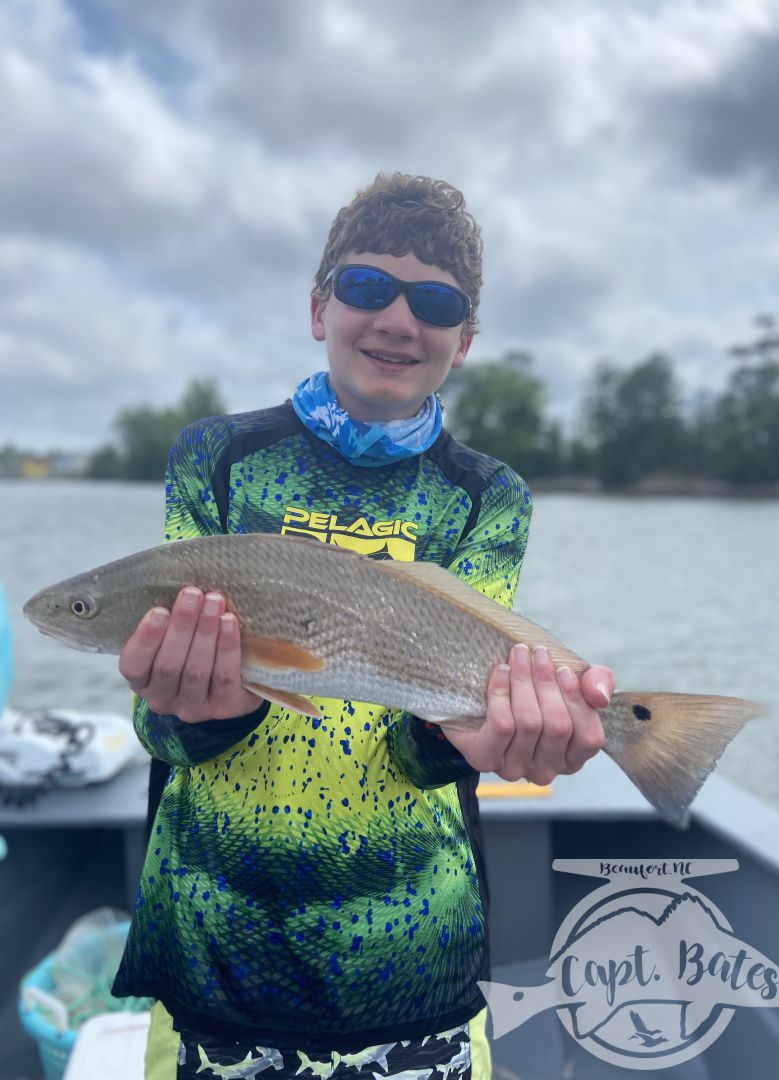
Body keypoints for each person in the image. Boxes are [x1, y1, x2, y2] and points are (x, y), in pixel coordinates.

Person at [112, 173, 615, 1080]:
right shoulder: (214, 458)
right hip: (215, 942)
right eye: (365, 286)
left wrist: (480, 741)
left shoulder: (487, 498)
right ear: (318, 306)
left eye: (434, 302)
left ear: (463, 342)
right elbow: (162, 732)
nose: (396, 318)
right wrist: (196, 711)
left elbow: (425, 752)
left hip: (410, 959)